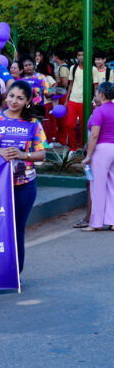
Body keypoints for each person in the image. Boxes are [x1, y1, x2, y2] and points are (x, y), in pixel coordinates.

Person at [0, 80, 46, 273]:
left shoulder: (34, 124)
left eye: (20, 98)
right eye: (12, 95)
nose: (14, 101)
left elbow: (42, 154)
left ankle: (15, 273)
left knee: (16, 231)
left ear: (28, 101)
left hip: (25, 185)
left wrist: (23, 155)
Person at [81, 82, 114, 231]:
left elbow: (94, 135)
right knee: (112, 186)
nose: (95, 96)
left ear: (101, 94)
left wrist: (88, 156)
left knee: (97, 187)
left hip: (102, 150)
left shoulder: (99, 111)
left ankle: (96, 223)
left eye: (96, 93)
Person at [64, 47, 86, 152]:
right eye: (79, 55)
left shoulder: (92, 69)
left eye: (83, 55)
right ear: (77, 56)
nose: (81, 57)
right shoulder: (73, 68)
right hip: (73, 100)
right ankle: (72, 148)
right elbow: (70, 85)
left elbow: (95, 86)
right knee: (69, 124)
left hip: (85, 101)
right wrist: (66, 99)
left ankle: (82, 147)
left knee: (84, 126)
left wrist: (94, 101)